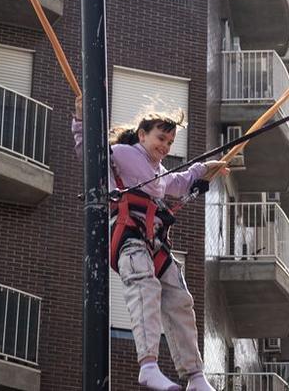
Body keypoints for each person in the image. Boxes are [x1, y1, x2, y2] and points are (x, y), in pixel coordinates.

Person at [107, 106, 226, 391]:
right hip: (128, 235)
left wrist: (204, 170)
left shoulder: (158, 172)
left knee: (180, 300)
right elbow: (88, 149)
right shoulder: (122, 155)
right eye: (161, 138)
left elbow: (177, 182)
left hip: (154, 240)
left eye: (170, 142)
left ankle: (195, 376)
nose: (165, 146)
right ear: (142, 135)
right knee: (144, 287)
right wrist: (80, 121)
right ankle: (148, 366)